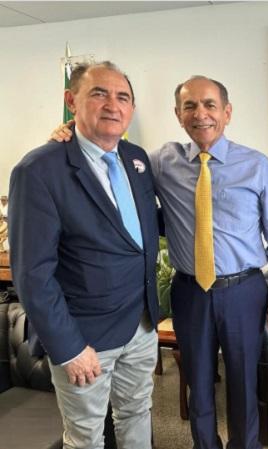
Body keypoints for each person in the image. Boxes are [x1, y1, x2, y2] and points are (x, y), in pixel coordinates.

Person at [51, 75, 268, 449]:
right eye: (190, 106)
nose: (201, 114)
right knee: (198, 382)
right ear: (178, 115)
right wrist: (70, 131)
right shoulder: (162, 161)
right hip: (189, 291)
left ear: (226, 113)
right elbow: (111, 158)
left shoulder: (256, 165)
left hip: (244, 290)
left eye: (210, 105)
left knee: (244, 384)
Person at [9, 61, 159, 449]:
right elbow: (32, 276)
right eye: (99, 93)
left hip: (141, 326)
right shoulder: (39, 170)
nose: (113, 104)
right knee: (86, 437)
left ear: (132, 109)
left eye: (122, 97)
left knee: (136, 415)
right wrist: (69, 348)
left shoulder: (137, 159)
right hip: (85, 337)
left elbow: (139, 235)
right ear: (71, 101)